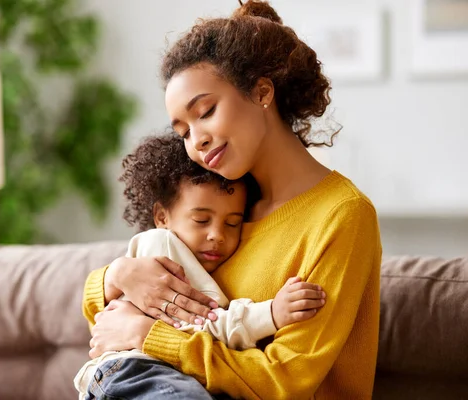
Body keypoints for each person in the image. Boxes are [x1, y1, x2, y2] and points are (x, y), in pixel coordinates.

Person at [83, 1, 382, 399]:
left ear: (261, 92)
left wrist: (148, 337)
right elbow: (107, 330)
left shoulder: (341, 215)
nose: (197, 141)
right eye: (183, 132)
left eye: (205, 111)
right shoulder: (228, 203)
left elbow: (286, 379)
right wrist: (114, 277)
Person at [75, 133, 325, 398]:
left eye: (232, 223)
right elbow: (202, 324)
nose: (217, 235)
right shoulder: (161, 246)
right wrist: (272, 313)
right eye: (201, 220)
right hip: (136, 370)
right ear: (162, 217)